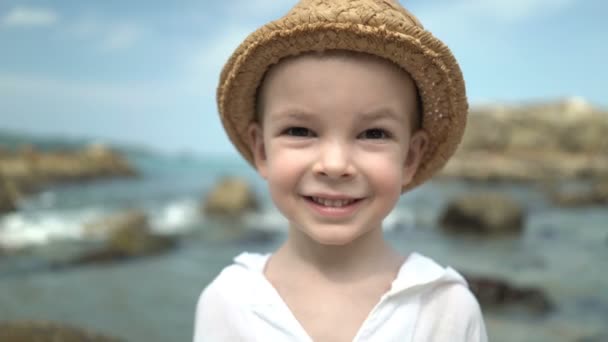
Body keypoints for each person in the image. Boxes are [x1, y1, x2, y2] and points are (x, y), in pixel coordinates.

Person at [194, 0, 488, 341]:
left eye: (373, 134)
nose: (334, 165)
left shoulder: (444, 308)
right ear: (262, 150)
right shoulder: (228, 302)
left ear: (410, 157)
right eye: (300, 131)